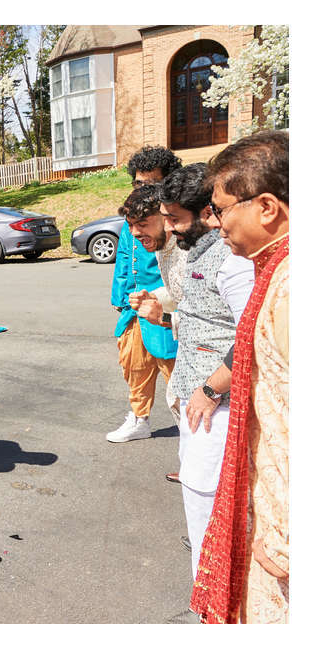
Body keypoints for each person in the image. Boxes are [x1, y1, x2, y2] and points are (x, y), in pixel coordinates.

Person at [128, 167, 254, 594]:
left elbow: (251, 337)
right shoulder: (198, 250)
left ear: (206, 212)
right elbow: (204, 321)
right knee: (198, 503)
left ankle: (214, 598)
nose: (168, 228)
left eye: (174, 219)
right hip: (195, 402)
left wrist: (209, 388)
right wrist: (164, 315)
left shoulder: (232, 262)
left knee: (207, 502)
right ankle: (207, 586)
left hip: (216, 408)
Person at [191, 130, 289, 624]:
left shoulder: (294, 286)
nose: (217, 222)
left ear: (267, 206)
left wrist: (290, 538)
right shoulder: (273, 270)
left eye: (222, 208)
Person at [106, 145, 181, 443]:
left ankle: (190, 434)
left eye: (151, 184)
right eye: (138, 183)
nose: (143, 189)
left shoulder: (173, 221)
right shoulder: (133, 216)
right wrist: (119, 297)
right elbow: (124, 257)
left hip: (165, 306)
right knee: (134, 366)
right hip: (133, 307)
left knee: (173, 370)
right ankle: (139, 420)